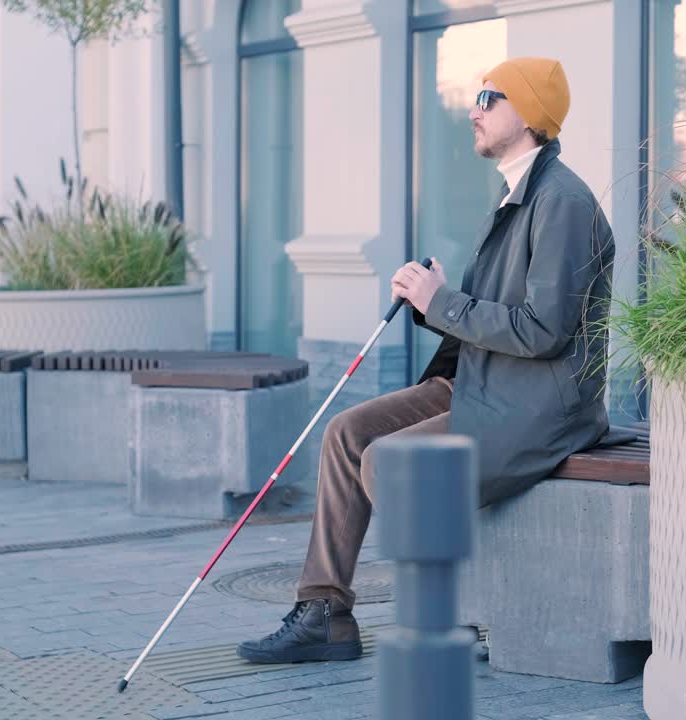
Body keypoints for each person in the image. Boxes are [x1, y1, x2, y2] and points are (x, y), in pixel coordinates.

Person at [236, 56, 615, 664]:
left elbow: (544, 330)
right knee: (345, 433)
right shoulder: (518, 192)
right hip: (485, 381)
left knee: (392, 462)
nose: (474, 110)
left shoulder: (561, 201)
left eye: (490, 98)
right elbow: (488, 311)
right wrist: (429, 299)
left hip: (536, 405)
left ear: (529, 114)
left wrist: (445, 302)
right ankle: (324, 612)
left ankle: (445, 620)